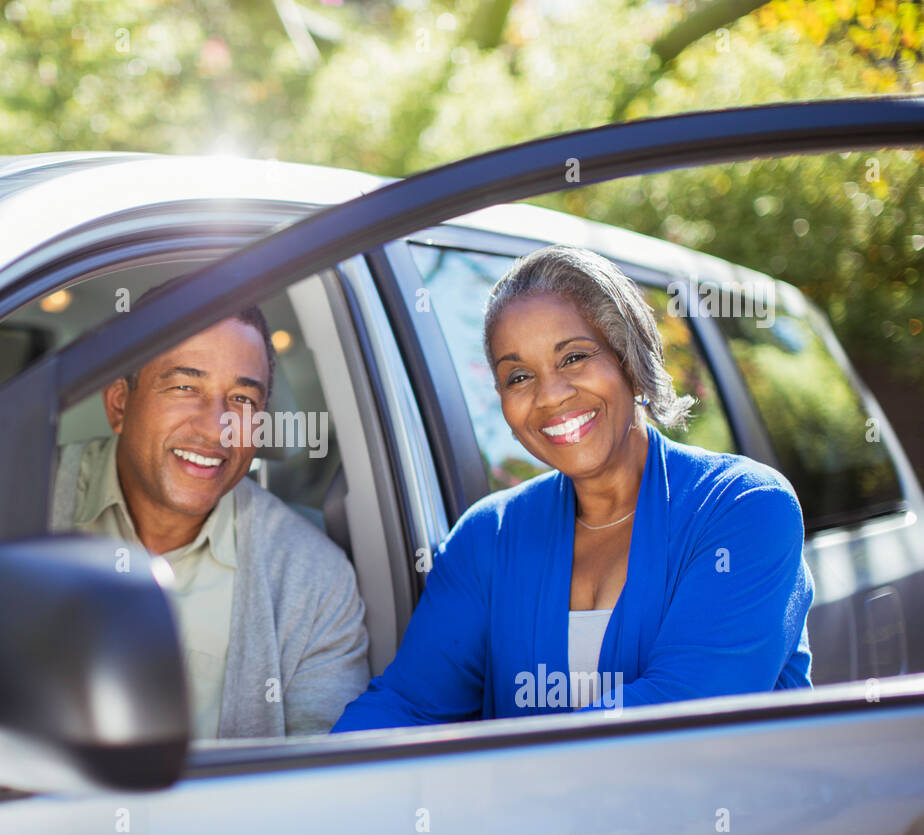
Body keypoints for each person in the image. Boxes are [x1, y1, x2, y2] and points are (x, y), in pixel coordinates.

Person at [0, 296, 370, 739]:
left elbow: (316, 790)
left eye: (243, 401)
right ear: (119, 404)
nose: (215, 426)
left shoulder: (315, 580)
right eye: (185, 387)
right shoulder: (7, 504)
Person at [333, 245, 812, 731]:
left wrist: (494, 779)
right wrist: (308, 784)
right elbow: (409, 704)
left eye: (574, 358)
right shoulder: (489, 536)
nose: (550, 396)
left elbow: (684, 712)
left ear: (630, 359)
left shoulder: (742, 508)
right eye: (518, 376)